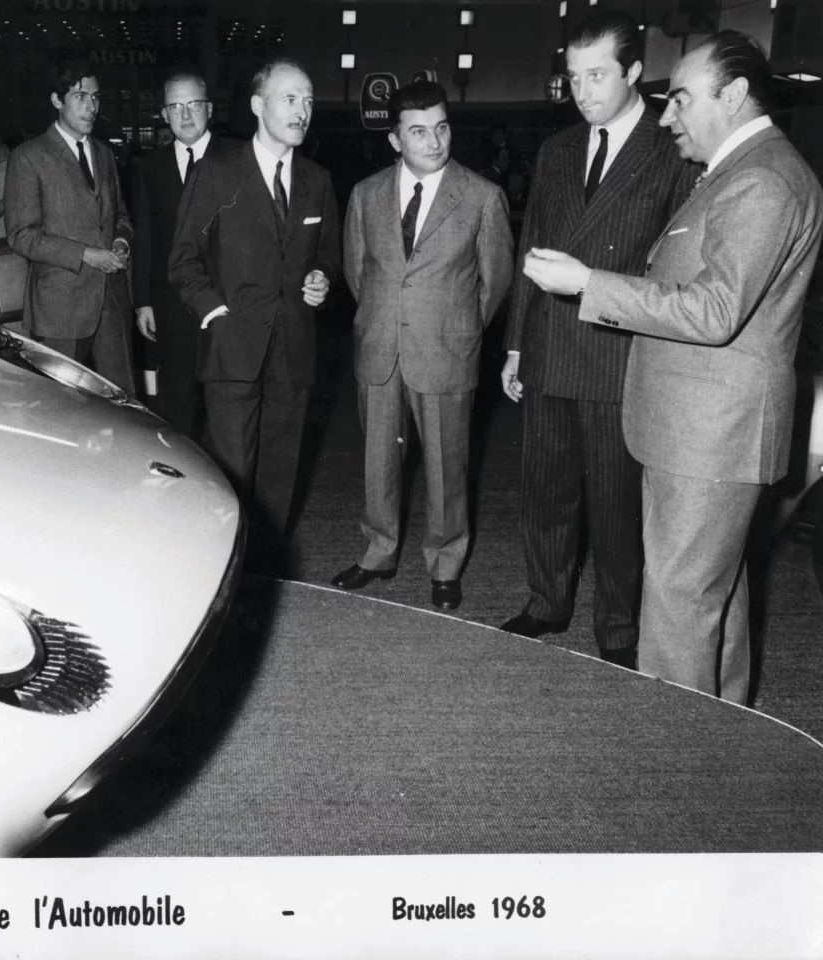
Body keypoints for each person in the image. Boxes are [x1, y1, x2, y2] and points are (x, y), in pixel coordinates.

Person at [522, 31, 823, 702]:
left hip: (709, 436)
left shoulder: (764, 181)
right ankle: (724, 747)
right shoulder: (741, 173)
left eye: (681, 98)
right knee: (714, 599)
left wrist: (586, 284)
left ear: (736, 96)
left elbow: (715, 310)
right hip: (701, 431)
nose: (667, 114)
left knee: (679, 610)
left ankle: (674, 767)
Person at [498, 10, 694, 668]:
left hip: (619, 357)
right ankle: (546, 602)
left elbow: (677, 271)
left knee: (615, 508)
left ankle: (617, 631)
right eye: (573, 76)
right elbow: (531, 249)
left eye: (597, 75)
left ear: (635, 72)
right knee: (545, 490)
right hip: (551, 348)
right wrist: (518, 346)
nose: (581, 91)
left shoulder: (671, 153)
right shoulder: (556, 150)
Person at [332, 80, 514, 610]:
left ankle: (445, 562)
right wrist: (385, 319)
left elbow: (494, 282)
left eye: (441, 128)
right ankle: (378, 551)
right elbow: (357, 271)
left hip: (446, 350)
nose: (433, 142)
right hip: (380, 349)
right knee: (377, 463)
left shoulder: (483, 197)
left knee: (446, 466)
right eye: (417, 132)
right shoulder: (365, 195)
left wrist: (455, 327)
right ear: (394, 139)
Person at [169, 58, 341, 572]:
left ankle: (264, 572)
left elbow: (327, 253)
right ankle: (224, 572)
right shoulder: (218, 173)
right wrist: (215, 312)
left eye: (309, 100)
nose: (302, 111)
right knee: (232, 473)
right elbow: (182, 259)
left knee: (280, 470)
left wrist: (322, 279)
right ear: (257, 106)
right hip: (232, 348)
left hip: (293, 349)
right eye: (290, 99)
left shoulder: (318, 180)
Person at [4, 62, 136, 394]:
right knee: (62, 407)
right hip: (60, 307)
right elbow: (21, 234)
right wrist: (86, 255)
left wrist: (121, 242)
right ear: (56, 100)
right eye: (80, 96)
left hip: (112, 301)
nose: (91, 107)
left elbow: (120, 216)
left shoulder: (105, 154)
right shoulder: (28, 156)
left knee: (123, 404)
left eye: (95, 97)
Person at [133, 71, 233, 437]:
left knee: (227, 401)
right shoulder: (150, 167)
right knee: (178, 399)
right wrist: (143, 300)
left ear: (209, 109)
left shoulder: (238, 159)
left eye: (193, 105)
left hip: (227, 301)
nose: (186, 115)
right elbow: (145, 234)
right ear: (163, 114)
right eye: (176, 107)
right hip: (171, 302)